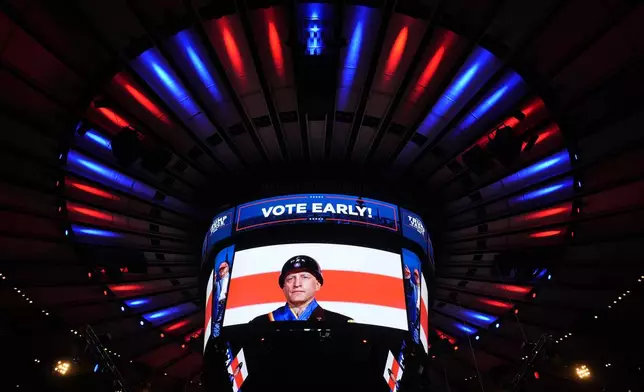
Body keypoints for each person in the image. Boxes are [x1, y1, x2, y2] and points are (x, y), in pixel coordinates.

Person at [251, 255, 352, 323]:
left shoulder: (340, 323)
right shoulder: (261, 323)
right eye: (290, 279)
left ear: (318, 284)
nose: (297, 284)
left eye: (304, 277)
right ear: (283, 287)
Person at [212, 261, 230, 337]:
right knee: (217, 322)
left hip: (228, 302)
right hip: (220, 303)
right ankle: (216, 339)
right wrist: (214, 280)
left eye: (222, 268)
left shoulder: (232, 278)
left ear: (227, 267)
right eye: (219, 270)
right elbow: (214, 287)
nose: (221, 271)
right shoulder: (219, 282)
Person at [404, 265, 421, 343]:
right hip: (413, 314)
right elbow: (409, 285)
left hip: (419, 318)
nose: (417, 277)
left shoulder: (422, 291)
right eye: (415, 275)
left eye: (417, 275)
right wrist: (408, 276)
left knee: (416, 338)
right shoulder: (413, 287)